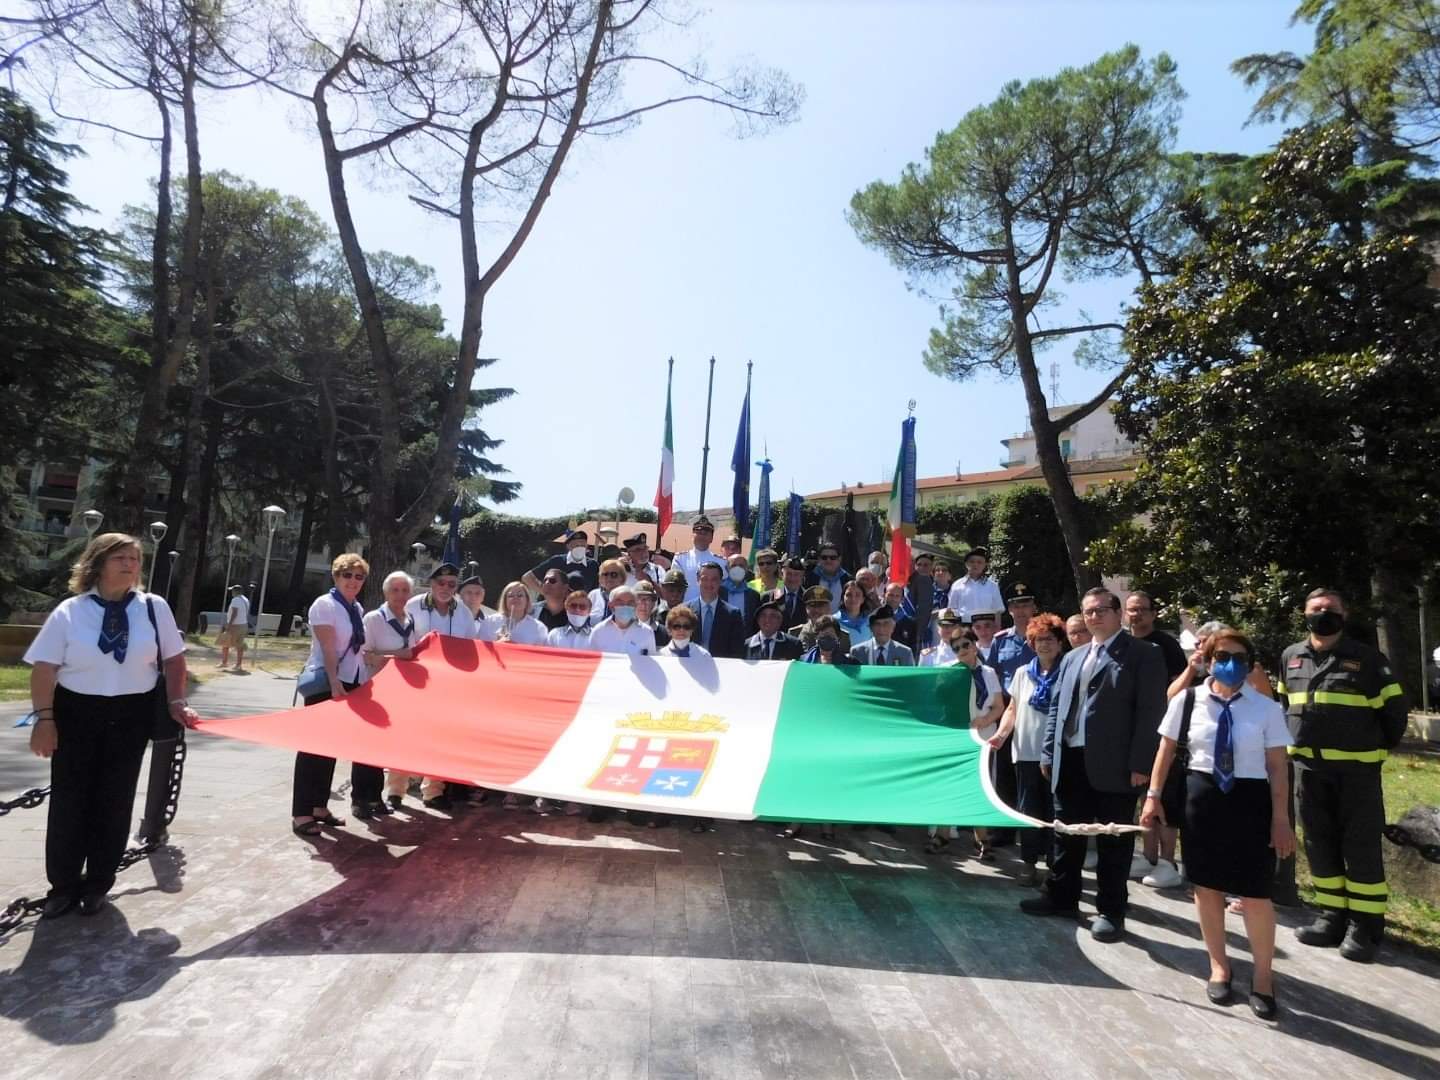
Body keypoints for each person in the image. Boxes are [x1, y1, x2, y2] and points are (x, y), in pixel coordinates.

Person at [23, 532, 198, 918]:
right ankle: (63, 885)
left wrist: (176, 700)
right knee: (70, 801)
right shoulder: (71, 611)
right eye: (120, 557)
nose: (130, 564)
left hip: (131, 714)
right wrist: (45, 720)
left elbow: (174, 660)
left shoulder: (154, 608)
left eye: (135, 558)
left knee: (115, 801)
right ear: (97, 563)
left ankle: (98, 882)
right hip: (76, 714)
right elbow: (44, 668)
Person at [1140, 629, 1294, 1020]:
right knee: (1206, 888)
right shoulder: (1187, 701)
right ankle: (1219, 966)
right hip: (1202, 797)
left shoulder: (1266, 709)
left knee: (1256, 894)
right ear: (1207, 659)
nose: (1231, 663)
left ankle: (1263, 977)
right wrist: (1154, 797)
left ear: (1250, 663)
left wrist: (1281, 820)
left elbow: (1277, 768)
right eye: (1223, 655)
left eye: (1240, 657)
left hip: (1250, 801)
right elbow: (1166, 749)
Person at [1021, 587, 1166, 943]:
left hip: (1115, 765)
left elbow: (1151, 714)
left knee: (1112, 840)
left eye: (1102, 610)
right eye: (1088, 612)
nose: (1094, 616)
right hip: (1069, 759)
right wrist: (1048, 753)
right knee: (1065, 833)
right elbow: (1057, 707)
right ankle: (1061, 897)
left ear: (1118, 614)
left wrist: (1141, 763)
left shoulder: (1142, 654)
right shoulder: (1073, 657)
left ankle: (1111, 911)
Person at [1280, 588, 1407, 962]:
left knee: (1360, 846)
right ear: (1304, 614)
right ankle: (1332, 916)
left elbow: (1394, 714)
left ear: (1344, 615)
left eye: (1330, 609)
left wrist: (1373, 751)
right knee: (1319, 844)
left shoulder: (1367, 660)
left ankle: (1366, 926)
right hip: (1308, 770)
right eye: (1316, 609)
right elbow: (1286, 705)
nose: (1323, 614)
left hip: (1356, 772)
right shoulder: (1291, 656)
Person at [294, 554, 385, 829]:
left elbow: (357, 649)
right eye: (347, 575)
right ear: (336, 576)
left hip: (352, 681)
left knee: (331, 747)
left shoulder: (355, 608)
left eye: (359, 577)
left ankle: (320, 807)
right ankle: (302, 814)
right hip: (328, 682)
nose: (353, 581)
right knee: (312, 747)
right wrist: (334, 681)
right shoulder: (325, 605)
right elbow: (328, 648)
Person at [991, 613, 1068, 885]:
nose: (1043, 645)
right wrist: (1000, 736)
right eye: (1037, 640)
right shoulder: (1024, 673)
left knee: (1054, 811)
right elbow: (1012, 708)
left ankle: (1054, 866)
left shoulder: (1068, 671)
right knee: (1028, 811)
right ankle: (1029, 863)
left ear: (1060, 642)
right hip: (1024, 752)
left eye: (1049, 639)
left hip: (1058, 755)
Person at [926, 630, 1003, 856]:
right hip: (958, 737)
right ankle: (942, 834)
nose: (962, 650)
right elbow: (939, 702)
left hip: (983, 737)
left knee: (981, 787)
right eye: (956, 647)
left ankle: (982, 839)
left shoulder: (988, 672)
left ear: (975, 645)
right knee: (950, 785)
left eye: (965, 645)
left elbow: (998, 706)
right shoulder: (949, 672)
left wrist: (985, 720)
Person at [688, 562, 746, 659]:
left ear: (721, 581)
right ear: (698, 580)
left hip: (722, 668)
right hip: (691, 666)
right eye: (704, 579)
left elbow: (737, 650)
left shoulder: (733, 614)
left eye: (714, 579)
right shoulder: (685, 611)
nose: (709, 583)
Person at [407, 563, 475, 639]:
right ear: (432, 583)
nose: (446, 588)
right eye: (441, 583)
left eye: (451, 584)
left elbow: (470, 645)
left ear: (456, 587)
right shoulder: (412, 606)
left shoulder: (465, 613)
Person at [523, 528, 598, 594]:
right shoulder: (557, 561)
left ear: (587, 546)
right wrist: (546, 594)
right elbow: (527, 577)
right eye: (576, 545)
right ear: (568, 546)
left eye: (583, 545)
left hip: (579, 608)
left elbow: (595, 590)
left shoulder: (592, 565)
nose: (580, 548)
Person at [589, 584, 657, 656]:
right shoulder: (599, 631)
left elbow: (650, 662)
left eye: (630, 603)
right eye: (620, 602)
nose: (625, 606)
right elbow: (590, 662)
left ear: (635, 605)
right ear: (611, 606)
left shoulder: (646, 632)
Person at [672, 516, 725, 602]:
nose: (702, 536)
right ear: (692, 535)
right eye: (699, 533)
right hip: (686, 611)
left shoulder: (721, 562)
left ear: (711, 538)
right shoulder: (680, 559)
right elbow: (675, 586)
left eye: (706, 533)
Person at [482, 581, 550, 645]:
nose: (515, 598)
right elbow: (481, 647)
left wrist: (515, 646)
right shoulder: (490, 621)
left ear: (527, 600)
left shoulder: (539, 628)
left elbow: (540, 654)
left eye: (520, 595)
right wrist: (498, 643)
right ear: (505, 600)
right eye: (510, 596)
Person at [949, 547, 1004, 622]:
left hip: (986, 628)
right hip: (964, 627)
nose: (975, 564)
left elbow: (998, 611)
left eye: (979, 562)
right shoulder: (957, 585)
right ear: (966, 564)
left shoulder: (992, 586)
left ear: (985, 565)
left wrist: (997, 629)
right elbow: (952, 610)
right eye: (972, 562)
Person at [791, 585, 851, 653]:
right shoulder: (794, 633)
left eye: (821, 605)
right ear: (806, 608)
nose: (816, 610)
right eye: (812, 605)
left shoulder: (843, 636)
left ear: (829, 608)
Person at [849, 606, 915, 666]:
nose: (881, 629)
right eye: (877, 624)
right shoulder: (857, 652)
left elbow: (911, 678)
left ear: (893, 627)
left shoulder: (905, 653)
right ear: (871, 628)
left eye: (886, 624)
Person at [804, 542, 850, 611]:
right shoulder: (809, 579)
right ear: (819, 559)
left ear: (839, 559)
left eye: (833, 558)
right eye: (824, 557)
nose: (828, 560)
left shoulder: (847, 579)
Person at [721, 553, 761, 629]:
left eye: (741, 566)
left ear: (747, 568)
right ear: (727, 568)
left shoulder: (753, 595)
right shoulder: (717, 591)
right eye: (733, 565)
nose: (737, 568)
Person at [216, 584, 249, 671]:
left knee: (225, 643)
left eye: (232, 591)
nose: (231, 593)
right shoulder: (246, 600)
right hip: (243, 624)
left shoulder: (235, 600)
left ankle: (224, 662)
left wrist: (229, 624)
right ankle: (238, 664)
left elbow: (235, 612)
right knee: (239, 645)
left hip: (235, 625)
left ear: (236, 591)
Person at [770, 556, 808, 630]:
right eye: (789, 574)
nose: (792, 578)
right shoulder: (769, 596)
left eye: (796, 574)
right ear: (782, 574)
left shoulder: (808, 598)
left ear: (803, 576)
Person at [835, 579, 875, 649]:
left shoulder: (870, 621)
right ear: (843, 598)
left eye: (857, 595)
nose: (853, 598)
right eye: (849, 595)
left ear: (863, 599)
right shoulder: (833, 621)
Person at [587, 559, 628, 624]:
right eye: (605, 574)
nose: (609, 578)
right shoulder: (593, 595)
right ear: (600, 578)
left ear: (622, 578)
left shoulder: (629, 597)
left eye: (613, 574)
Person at [883, 581, 918, 651]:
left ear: (902, 599)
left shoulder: (910, 623)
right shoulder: (874, 617)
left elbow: (913, 649)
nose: (893, 599)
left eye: (897, 596)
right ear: (884, 595)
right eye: (890, 595)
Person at [634, 581, 667, 647]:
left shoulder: (663, 633)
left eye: (647, 600)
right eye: (639, 599)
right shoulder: (624, 630)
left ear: (653, 603)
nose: (643, 605)